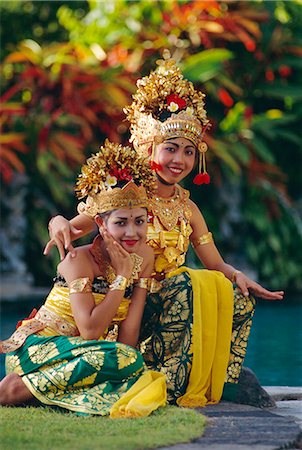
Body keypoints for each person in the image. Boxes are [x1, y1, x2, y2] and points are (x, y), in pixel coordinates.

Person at [43, 53, 284, 406]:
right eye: (170, 149)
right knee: (187, 284)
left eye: (188, 152)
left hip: (171, 301)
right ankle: (169, 381)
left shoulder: (189, 208)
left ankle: (222, 380)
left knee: (235, 300)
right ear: (148, 146)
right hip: (133, 305)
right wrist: (57, 222)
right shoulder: (127, 198)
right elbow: (75, 226)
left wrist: (239, 277)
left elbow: (215, 264)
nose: (179, 161)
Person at [0, 140, 166, 417]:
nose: (132, 233)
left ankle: (42, 391)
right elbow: (89, 330)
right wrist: (122, 277)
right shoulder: (78, 260)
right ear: (101, 223)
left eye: (139, 221)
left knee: (130, 360)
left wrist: (125, 362)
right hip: (41, 350)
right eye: (121, 222)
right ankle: (15, 389)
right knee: (122, 362)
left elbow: (129, 331)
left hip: (86, 353)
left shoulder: (145, 256)